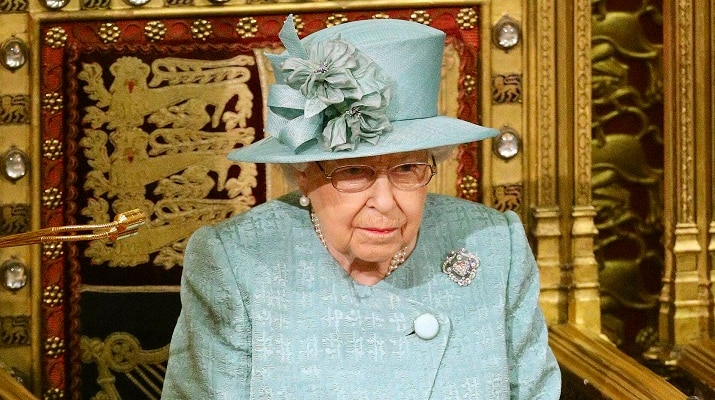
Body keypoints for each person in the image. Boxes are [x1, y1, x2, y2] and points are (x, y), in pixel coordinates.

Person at [162, 15, 561, 399]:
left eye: (407, 168)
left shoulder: (495, 247)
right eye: (354, 171)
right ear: (303, 173)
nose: (385, 202)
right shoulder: (237, 262)